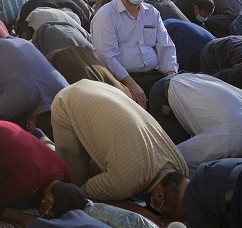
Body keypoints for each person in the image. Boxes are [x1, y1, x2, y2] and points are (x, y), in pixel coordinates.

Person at [51, 80, 188, 202]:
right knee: (74, 184)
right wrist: (134, 209)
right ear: (159, 196)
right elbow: (84, 194)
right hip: (68, 101)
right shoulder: (125, 183)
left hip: (100, 89)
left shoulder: (181, 166)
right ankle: (42, 143)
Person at [147, 73, 242, 172]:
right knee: (177, 171)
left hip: (194, 79)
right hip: (167, 93)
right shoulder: (232, 139)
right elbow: (176, 158)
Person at [91, 0, 178, 107]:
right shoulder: (106, 15)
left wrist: (170, 76)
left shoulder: (152, 12)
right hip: (122, 78)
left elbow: (166, 46)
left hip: (154, 74)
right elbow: (107, 55)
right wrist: (130, 83)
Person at [0, 120, 85, 224]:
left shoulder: (66, 172)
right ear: (48, 201)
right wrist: (22, 217)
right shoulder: (27, 182)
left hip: (2, 126)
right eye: (48, 213)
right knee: (19, 204)